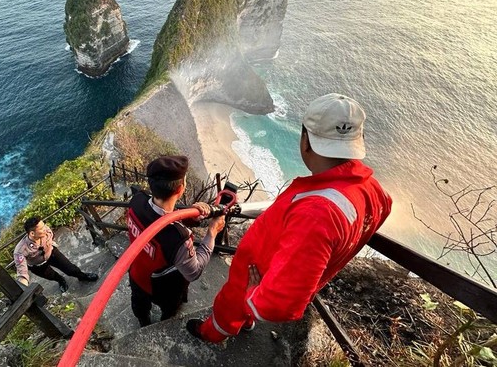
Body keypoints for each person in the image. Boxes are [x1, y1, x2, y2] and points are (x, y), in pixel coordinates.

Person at [186, 93, 393, 342]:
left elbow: (279, 304)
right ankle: (247, 320)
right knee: (243, 309)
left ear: (305, 140)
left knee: (228, 309)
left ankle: (212, 334)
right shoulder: (376, 194)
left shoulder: (317, 212)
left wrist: (254, 295)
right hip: (276, 271)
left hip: (257, 274)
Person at [127, 155, 226, 327]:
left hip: (136, 272)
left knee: (139, 305)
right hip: (163, 287)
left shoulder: (137, 201)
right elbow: (193, 272)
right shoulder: (178, 238)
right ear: (181, 189)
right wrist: (212, 232)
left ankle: (143, 323)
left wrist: (191, 215)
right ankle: (164, 324)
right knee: (170, 308)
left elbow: (158, 219)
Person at [14, 217, 98, 292]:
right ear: (32, 233)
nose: (45, 228)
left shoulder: (45, 230)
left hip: (51, 252)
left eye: (44, 225)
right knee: (51, 276)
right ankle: (61, 280)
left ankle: (82, 276)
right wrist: (23, 287)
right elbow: (22, 272)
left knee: (70, 268)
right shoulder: (20, 250)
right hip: (37, 265)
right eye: (42, 228)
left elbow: (51, 234)